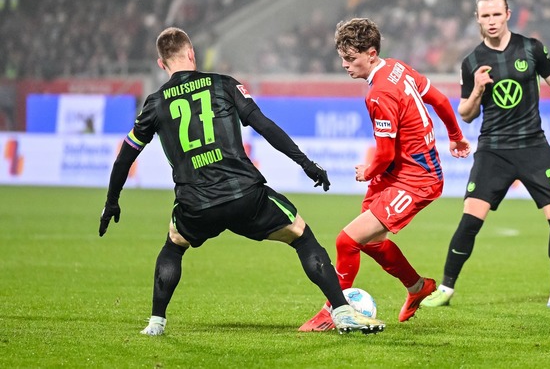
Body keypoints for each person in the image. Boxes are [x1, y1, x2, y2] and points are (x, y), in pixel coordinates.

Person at [99, 26, 386, 336]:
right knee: (303, 238)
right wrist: (305, 163)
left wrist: (111, 201)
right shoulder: (224, 85)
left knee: (173, 247)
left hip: (196, 204)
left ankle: (156, 323)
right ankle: (342, 312)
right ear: (191, 54)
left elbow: (125, 157)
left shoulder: (155, 103)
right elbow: (263, 125)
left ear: (161, 63)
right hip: (245, 195)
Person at [299, 18, 471, 331]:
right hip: (398, 173)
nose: (345, 65)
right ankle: (419, 287)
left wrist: (367, 171)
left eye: (351, 59)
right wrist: (456, 136)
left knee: (345, 241)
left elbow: (385, 153)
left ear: (372, 53)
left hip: (417, 179)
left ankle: (333, 312)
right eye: (342, 57)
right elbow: (441, 100)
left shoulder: (379, 94)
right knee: (370, 242)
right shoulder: (397, 68)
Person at [422, 0, 550, 310]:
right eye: (485, 16)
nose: (492, 21)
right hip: (493, 149)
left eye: (497, 14)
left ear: (508, 14)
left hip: (533, 145)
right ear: (477, 19)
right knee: (470, 221)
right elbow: (466, 114)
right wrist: (479, 89)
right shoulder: (472, 62)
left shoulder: (531, 48)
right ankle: (445, 289)